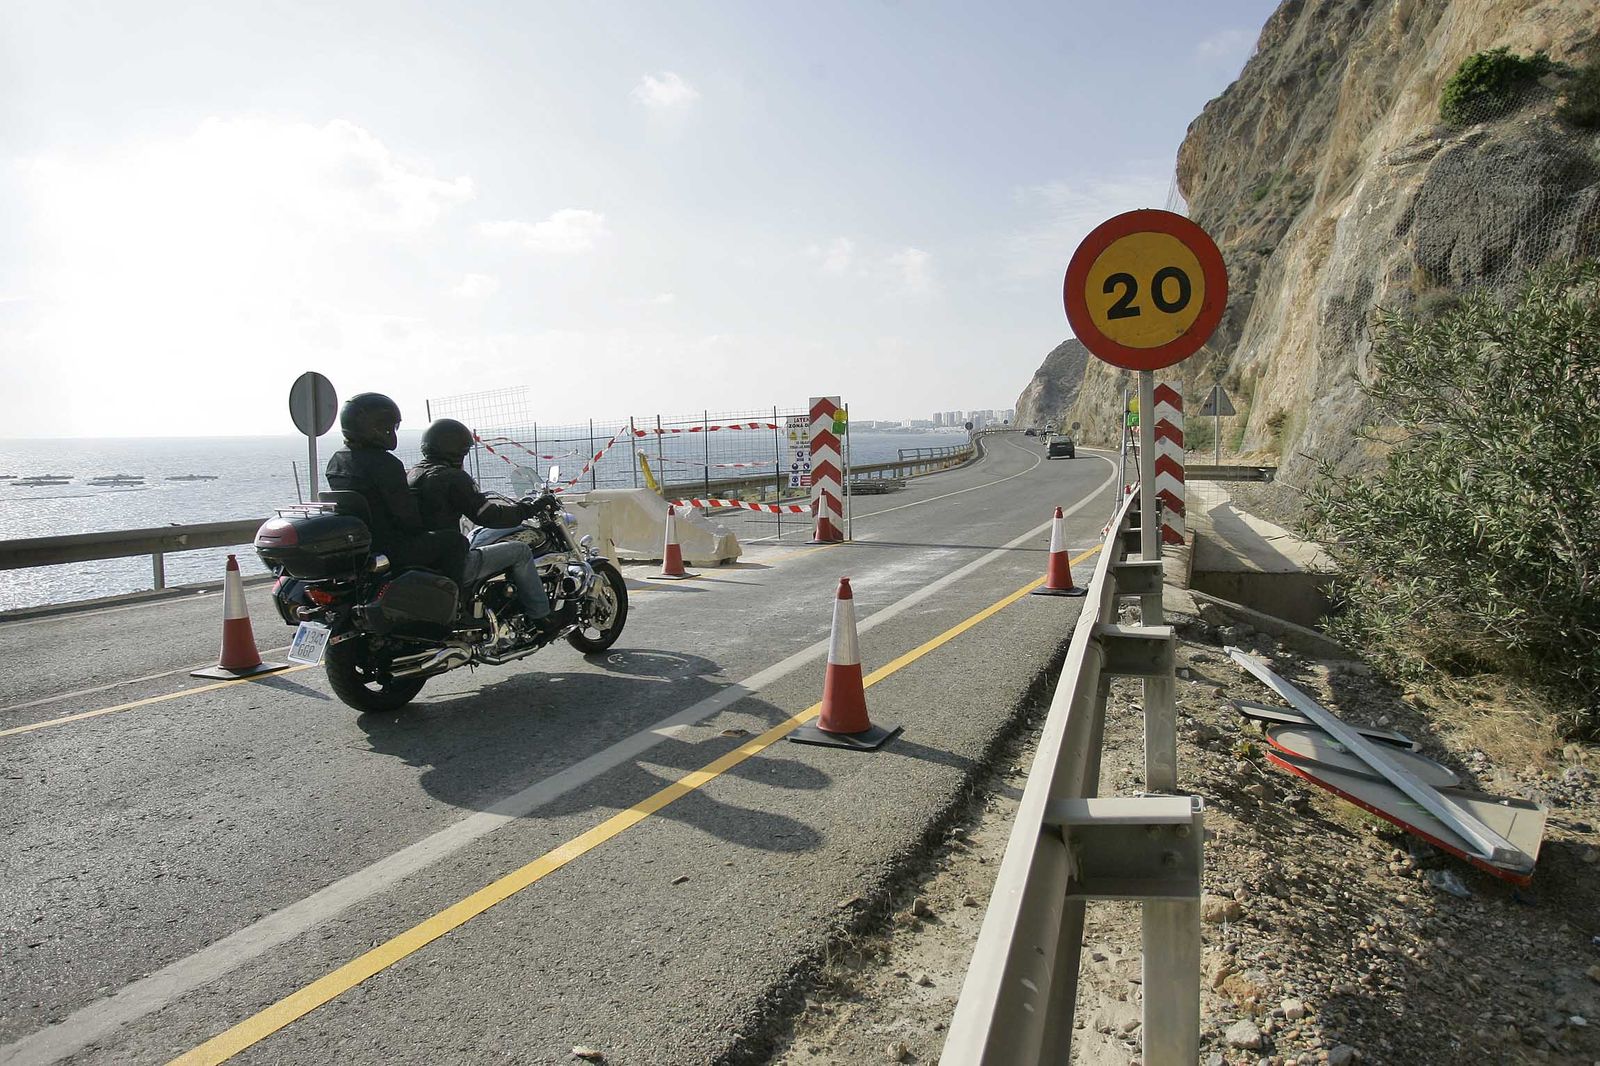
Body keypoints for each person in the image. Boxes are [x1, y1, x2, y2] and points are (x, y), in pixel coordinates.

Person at [407, 418, 564, 638]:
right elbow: (490, 517)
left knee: (476, 539)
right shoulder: (452, 477)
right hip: (453, 563)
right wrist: (528, 509)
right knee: (520, 551)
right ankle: (542, 617)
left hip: (425, 557)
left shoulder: (413, 474)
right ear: (455, 449)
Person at [324, 393, 467, 581]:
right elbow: (407, 517)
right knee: (455, 541)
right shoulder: (385, 463)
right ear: (376, 428)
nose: (392, 431)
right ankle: (455, 600)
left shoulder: (336, 460)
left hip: (364, 545)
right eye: (389, 426)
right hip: (392, 546)